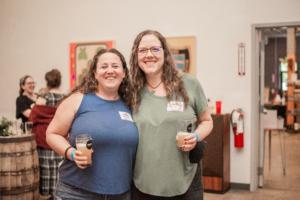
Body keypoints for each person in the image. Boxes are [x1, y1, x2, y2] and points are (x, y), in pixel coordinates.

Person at [129, 30, 213, 200]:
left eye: (155, 49)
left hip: (184, 181)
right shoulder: (131, 91)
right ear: (136, 56)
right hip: (143, 183)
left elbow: (207, 121)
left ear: (165, 53)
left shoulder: (189, 83)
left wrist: (195, 136)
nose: (149, 55)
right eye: (143, 50)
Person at [46, 48, 138, 200]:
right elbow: (52, 134)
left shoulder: (131, 105)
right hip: (76, 193)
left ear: (124, 73)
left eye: (115, 66)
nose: (110, 70)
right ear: (95, 73)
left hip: (121, 193)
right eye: (103, 66)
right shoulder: (78, 100)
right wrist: (72, 153)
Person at [29, 69, 64, 199]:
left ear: (47, 81)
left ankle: (46, 196)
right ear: (59, 81)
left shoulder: (44, 98)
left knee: (46, 171)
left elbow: (33, 116)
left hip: (45, 139)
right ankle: (59, 194)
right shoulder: (66, 97)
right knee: (60, 170)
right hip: (61, 138)